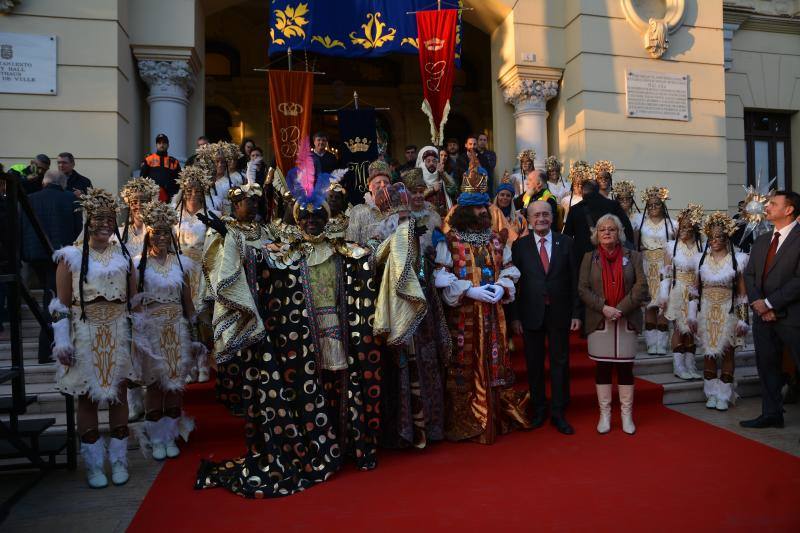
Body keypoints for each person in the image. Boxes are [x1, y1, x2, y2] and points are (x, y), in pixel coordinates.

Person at [196, 147, 381, 497]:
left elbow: (372, 258)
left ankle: (346, 445)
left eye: (317, 216)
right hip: (302, 342)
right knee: (312, 393)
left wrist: (401, 237)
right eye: (305, 216)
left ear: (328, 217)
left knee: (342, 388)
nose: (312, 221)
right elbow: (254, 261)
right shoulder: (285, 253)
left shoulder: (346, 250)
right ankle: (319, 447)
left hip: (341, 334)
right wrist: (228, 236)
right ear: (296, 219)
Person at [50, 188, 138, 488]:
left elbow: (133, 299)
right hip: (85, 332)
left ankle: (118, 460)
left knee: (119, 394)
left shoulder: (125, 255)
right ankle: (94, 465)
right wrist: (62, 339)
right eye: (98, 218)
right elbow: (60, 305)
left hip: (117, 331)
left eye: (109, 219)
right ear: (87, 220)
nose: (104, 224)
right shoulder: (70, 257)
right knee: (87, 398)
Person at [434, 178, 530, 443]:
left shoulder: (497, 241)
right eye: (475, 210)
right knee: (462, 366)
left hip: (492, 315)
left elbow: (510, 269)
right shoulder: (449, 241)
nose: (481, 213)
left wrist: (502, 286)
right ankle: (466, 420)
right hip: (462, 315)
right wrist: (468, 290)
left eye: (483, 209)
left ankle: (493, 416)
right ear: (464, 212)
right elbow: (440, 276)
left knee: (493, 362)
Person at [372, 182, 449, 449]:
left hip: (423, 314)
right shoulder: (382, 241)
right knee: (401, 369)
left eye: (407, 218)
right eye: (399, 218)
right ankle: (404, 430)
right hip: (396, 313)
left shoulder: (421, 236)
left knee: (426, 366)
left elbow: (425, 271)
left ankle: (429, 426)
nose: (404, 223)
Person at [133, 201, 204, 460]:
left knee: (174, 384)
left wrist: (195, 329)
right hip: (151, 328)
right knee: (154, 385)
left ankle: (170, 434)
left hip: (176, 327)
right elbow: (135, 302)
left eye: (166, 231)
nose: (162, 236)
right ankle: (156, 437)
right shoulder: (138, 264)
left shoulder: (181, 263)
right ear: (148, 233)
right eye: (157, 231)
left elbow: (187, 300)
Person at [200, 183, 272, 415]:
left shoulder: (263, 230)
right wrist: (226, 236)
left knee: (258, 347)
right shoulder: (221, 228)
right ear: (237, 204)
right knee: (235, 345)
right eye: (249, 202)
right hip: (233, 299)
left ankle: (260, 393)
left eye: (255, 202)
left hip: (260, 297)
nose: (253, 205)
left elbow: (270, 254)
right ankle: (236, 396)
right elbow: (214, 263)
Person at [511, 201, 581, 434]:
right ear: (529, 220)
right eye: (536, 215)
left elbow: (575, 281)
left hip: (560, 313)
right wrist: (515, 318)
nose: (541, 218)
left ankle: (559, 412)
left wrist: (575, 313)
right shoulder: (519, 247)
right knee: (534, 364)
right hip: (530, 313)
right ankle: (539, 408)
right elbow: (515, 284)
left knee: (560, 363)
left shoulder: (567, 243)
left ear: (552, 218)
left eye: (545, 214)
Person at [578, 214, 649, 434]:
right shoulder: (589, 258)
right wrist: (604, 308)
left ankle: (626, 416)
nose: (607, 232)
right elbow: (583, 289)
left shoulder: (634, 256)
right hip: (600, 320)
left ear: (619, 233)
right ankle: (605, 415)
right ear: (596, 235)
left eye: (611, 229)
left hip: (626, 319)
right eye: (602, 230)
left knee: (626, 368)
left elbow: (641, 286)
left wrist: (622, 308)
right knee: (603, 367)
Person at [741, 191, 800, 428]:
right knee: (767, 366)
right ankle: (771, 413)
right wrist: (760, 304)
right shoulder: (763, 239)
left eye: (773, 204)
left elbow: (798, 280)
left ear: (789, 210)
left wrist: (770, 303)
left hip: (793, 317)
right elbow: (750, 274)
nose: (767, 207)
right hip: (763, 318)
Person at [690, 212, 749, 411]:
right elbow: (693, 291)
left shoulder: (737, 260)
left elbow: (742, 294)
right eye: (712, 237)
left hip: (728, 312)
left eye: (720, 237)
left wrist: (743, 320)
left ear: (727, 238)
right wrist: (691, 315)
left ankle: (724, 394)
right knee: (708, 353)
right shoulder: (700, 260)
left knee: (727, 353)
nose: (715, 241)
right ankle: (711, 393)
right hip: (706, 311)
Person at [22, 169, 82, 362]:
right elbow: (78, 231)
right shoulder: (70, 199)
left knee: (51, 298)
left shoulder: (30, 198)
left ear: (44, 182)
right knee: (55, 301)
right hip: (63, 258)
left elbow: (22, 227)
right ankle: (50, 347)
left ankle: (48, 349)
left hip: (36, 256)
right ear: (62, 183)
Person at [118, 176, 161, 421]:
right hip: (129, 299)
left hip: (154, 296)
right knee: (131, 349)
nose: (137, 205)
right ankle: (135, 402)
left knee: (153, 348)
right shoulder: (120, 232)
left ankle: (154, 398)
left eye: (142, 201)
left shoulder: (157, 230)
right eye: (133, 201)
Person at [172, 166, 213, 383]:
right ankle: (189, 363)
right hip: (182, 269)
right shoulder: (174, 214)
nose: (193, 194)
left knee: (203, 315)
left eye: (197, 190)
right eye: (189, 190)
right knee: (184, 316)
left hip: (203, 268)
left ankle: (204, 360)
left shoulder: (209, 214)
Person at [657, 204, 704, 380]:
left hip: (696, 293)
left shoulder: (702, 246)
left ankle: (691, 364)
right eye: (681, 226)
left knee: (692, 328)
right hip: (678, 290)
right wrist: (663, 295)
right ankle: (679, 366)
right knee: (678, 328)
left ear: (695, 228)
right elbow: (666, 272)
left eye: (687, 226)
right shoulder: (671, 246)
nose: (682, 229)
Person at [632, 186, 675, 355]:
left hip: (664, 266)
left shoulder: (671, 224)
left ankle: (662, 343)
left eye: (657, 204)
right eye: (650, 205)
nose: (653, 207)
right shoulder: (640, 222)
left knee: (664, 304)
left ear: (662, 205)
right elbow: (636, 246)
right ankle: (651, 343)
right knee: (650, 304)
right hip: (646, 265)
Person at [563, 179, 635, 260]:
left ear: (583, 191)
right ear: (598, 189)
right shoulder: (613, 205)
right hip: (611, 254)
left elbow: (567, 236)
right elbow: (628, 229)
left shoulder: (575, 209)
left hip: (583, 257)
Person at [345, 160, 392, 248]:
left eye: (386, 182)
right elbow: (351, 245)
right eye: (378, 182)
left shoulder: (397, 211)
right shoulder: (358, 211)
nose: (383, 185)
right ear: (370, 186)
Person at [197, 141, 244, 217]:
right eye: (217, 161)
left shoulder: (233, 182)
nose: (220, 164)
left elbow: (238, 204)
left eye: (223, 162)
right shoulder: (203, 183)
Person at [415, 145, 458, 217]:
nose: (431, 163)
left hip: (444, 215)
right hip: (426, 216)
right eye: (428, 161)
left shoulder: (441, 175)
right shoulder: (419, 178)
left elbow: (453, 189)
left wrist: (443, 173)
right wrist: (432, 189)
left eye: (434, 161)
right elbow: (416, 197)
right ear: (423, 163)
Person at [140, 133, 181, 202]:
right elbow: (142, 179)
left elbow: (179, 181)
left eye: (164, 143)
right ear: (156, 145)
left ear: (168, 145)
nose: (161, 145)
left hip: (169, 198)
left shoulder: (174, 162)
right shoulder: (149, 159)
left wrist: (174, 194)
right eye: (159, 143)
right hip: (152, 197)